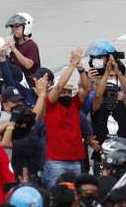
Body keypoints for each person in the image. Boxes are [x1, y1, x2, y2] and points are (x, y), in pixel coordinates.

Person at [37, 48, 91, 186]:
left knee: (75, 197)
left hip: (76, 161)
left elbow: (86, 89)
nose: (65, 93)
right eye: (63, 92)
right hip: (56, 162)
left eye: (69, 91)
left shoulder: (74, 104)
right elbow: (59, 86)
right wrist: (72, 65)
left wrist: (80, 68)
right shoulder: (50, 105)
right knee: (57, 196)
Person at [5, 13, 41, 83]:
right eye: (12, 27)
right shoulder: (14, 45)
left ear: (26, 27)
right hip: (16, 83)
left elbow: (28, 65)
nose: (14, 29)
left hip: (29, 84)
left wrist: (14, 49)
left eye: (17, 26)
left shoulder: (31, 45)